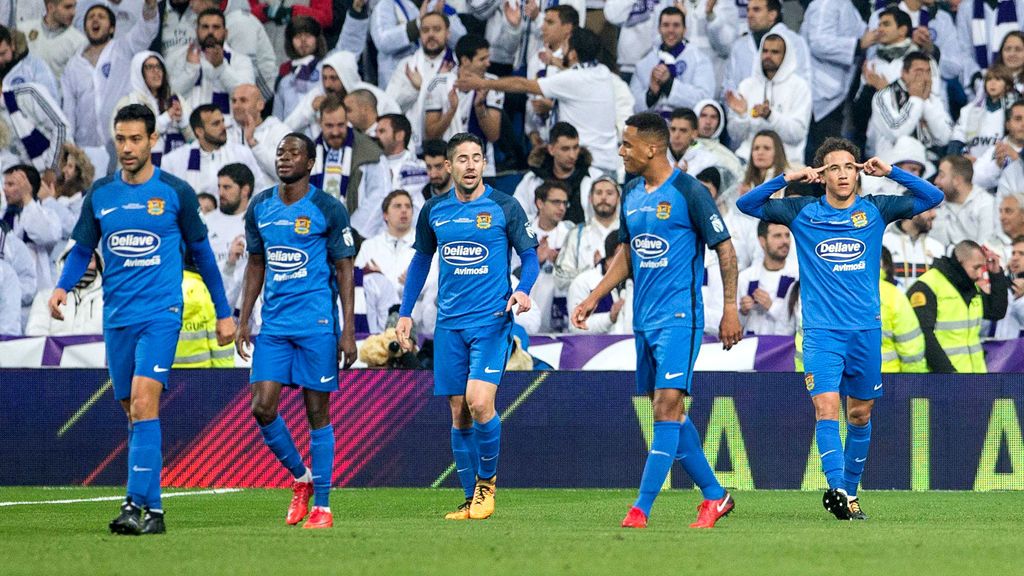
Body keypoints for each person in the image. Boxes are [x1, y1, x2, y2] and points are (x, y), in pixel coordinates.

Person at [47, 104, 235, 535]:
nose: (127, 148)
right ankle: (155, 511)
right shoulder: (101, 195)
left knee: (146, 401)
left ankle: (132, 504)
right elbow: (81, 250)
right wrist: (62, 286)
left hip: (161, 314)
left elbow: (203, 255)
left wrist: (225, 314)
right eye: (121, 139)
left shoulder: (175, 192)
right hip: (117, 318)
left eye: (136, 139)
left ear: (153, 140)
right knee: (133, 411)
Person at [736, 136, 943, 520]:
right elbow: (746, 204)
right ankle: (839, 492)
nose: (843, 174)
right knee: (826, 408)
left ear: (859, 172)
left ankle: (849, 489)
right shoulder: (801, 211)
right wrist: (788, 177)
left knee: (860, 415)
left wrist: (892, 172)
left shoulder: (876, 209)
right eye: (834, 167)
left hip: (865, 332)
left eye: (849, 166)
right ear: (823, 175)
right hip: (821, 332)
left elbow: (933, 197)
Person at [573, 112, 742, 529]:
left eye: (627, 144)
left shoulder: (689, 191)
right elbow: (628, 254)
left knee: (668, 406)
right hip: (643, 320)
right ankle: (716, 497)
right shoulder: (631, 192)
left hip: (680, 318)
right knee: (668, 413)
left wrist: (731, 309)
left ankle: (641, 508)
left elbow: (725, 250)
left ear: (652, 148)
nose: (621, 151)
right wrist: (595, 297)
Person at [395, 132, 540, 521]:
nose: (471, 165)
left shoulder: (505, 207)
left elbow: (530, 258)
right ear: (448, 166)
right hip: (449, 326)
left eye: (477, 157)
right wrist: (406, 312)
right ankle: (469, 498)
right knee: (459, 412)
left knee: (479, 402)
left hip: (491, 320)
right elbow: (421, 262)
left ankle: (487, 488)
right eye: (463, 159)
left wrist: (523, 291)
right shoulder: (433, 211)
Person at [235, 132, 358, 530]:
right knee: (262, 406)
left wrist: (348, 331)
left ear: (310, 163)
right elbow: (256, 264)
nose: (284, 158)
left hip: (317, 326)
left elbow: (344, 269)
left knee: (316, 413)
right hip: (274, 326)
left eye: (294, 153)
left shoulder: (327, 208)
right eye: (280, 152)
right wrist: (243, 319)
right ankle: (301, 478)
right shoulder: (261, 208)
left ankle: (322, 506)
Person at [455, 27, 630, 174]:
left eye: (565, 47)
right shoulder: (603, 72)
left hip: (585, 165)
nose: (562, 51)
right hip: (607, 164)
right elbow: (576, 72)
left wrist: (482, 82)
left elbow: (522, 84)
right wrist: (554, 61)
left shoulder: (571, 80)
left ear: (574, 53)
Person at [906, 240, 1008, 372]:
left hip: (974, 378)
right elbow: (924, 337)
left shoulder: (970, 286)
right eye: (976, 268)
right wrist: (949, 374)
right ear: (959, 261)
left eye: (981, 269)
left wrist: (996, 274)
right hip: (942, 380)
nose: (979, 275)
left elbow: (996, 311)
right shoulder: (927, 287)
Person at [725, 32, 812, 165]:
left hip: (786, 162)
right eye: (764, 51)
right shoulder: (747, 85)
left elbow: (798, 134)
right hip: (748, 161)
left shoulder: (799, 87)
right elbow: (735, 135)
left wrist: (770, 116)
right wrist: (743, 116)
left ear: (786, 56)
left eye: (774, 52)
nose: (768, 56)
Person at [159, 104, 270, 196]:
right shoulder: (173, 161)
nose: (223, 127)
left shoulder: (241, 153)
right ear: (199, 131)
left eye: (222, 121)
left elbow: (259, 190)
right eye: (216, 124)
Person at [629, 7, 715, 115]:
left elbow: (705, 101)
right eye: (666, 25)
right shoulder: (645, 63)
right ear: (659, 29)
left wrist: (669, 84)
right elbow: (632, 105)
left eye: (676, 25)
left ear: (685, 29)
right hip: (654, 127)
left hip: (687, 125)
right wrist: (651, 93)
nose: (671, 30)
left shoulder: (700, 59)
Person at [112, 51, 192, 167]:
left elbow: (195, 138)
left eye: (159, 66)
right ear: (138, 71)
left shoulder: (175, 99)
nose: (156, 71)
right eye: (149, 67)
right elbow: (130, 138)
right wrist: (166, 118)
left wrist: (182, 120)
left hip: (175, 169)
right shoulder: (128, 102)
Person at [513, 122, 603, 224]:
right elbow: (516, 215)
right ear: (551, 149)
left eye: (575, 147)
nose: (572, 155)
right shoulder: (531, 180)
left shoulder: (596, 178)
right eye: (565, 149)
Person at [355, 189, 417, 333]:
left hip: (414, 321)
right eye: (397, 206)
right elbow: (357, 284)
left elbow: (434, 281)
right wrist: (380, 281)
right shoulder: (369, 246)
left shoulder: (424, 245)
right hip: (377, 325)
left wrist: (415, 282)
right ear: (385, 215)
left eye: (408, 206)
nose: (404, 210)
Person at [554, 176, 620, 291]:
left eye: (609, 193)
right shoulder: (576, 234)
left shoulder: (629, 232)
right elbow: (560, 277)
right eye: (598, 193)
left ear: (619, 198)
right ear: (590, 198)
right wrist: (595, 271)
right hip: (584, 304)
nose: (604, 197)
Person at [738, 221, 799, 336]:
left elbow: (799, 323)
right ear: (762, 241)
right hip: (753, 349)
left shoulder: (798, 277)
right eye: (777, 236)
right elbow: (732, 326)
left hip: (785, 350)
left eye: (787, 235)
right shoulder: (746, 278)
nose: (785, 241)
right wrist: (743, 312)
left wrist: (771, 306)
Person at [879, 246, 927, 372]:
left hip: (841, 384)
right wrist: (912, 386)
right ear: (884, 264)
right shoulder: (893, 295)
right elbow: (910, 348)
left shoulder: (834, 292)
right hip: (887, 379)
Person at [931, 154, 996, 246]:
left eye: (942, 176)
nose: (936, 181)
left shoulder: (986, 204)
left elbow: (986, 247)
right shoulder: (937, 205)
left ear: (957, 180)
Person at [19, 0, 87, 82]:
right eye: (67, 7)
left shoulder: (79, 42)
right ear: (51, 7)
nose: (73, 12)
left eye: (74, 7)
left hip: (57, 94)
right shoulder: (23, 31)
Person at [883, 207, 943, 289]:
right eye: (929, 209)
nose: (934, 214)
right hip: (893, 301)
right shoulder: (883, 243)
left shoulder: (937, 247)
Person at [666, 108, 717, 177]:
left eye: (683, 130)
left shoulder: (708, 161)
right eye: (673, 129)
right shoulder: (657, 157)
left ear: (694, 134)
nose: (676, 135)